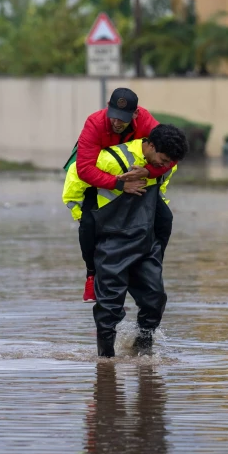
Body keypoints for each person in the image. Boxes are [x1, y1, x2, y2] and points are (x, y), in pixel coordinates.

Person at [62, 123, 188, 358]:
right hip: (111, 242)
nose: (165, 165)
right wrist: (86, 219)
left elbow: (161, 193)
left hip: (146, 242)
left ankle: (143, 354)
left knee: (155, 300)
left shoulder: (166, 165)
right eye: (163, 159)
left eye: (171, 161)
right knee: (109, 308)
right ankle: (105, 364)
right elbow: (73, 185)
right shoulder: (112, 159)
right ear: (150, 145)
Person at [73, 88, 176, 303]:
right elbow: (84, 169)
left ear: (136, 115)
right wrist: (119, 185)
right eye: (114, 116)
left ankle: (151, 268)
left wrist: (149, 172)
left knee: (165, 220)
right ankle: (92, 274)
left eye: (124, 119)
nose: (117, 123)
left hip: (138, 179)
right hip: (99, 180)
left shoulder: (147, 121)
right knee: (88, 225)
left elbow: (173, 153)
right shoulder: (94, 123)